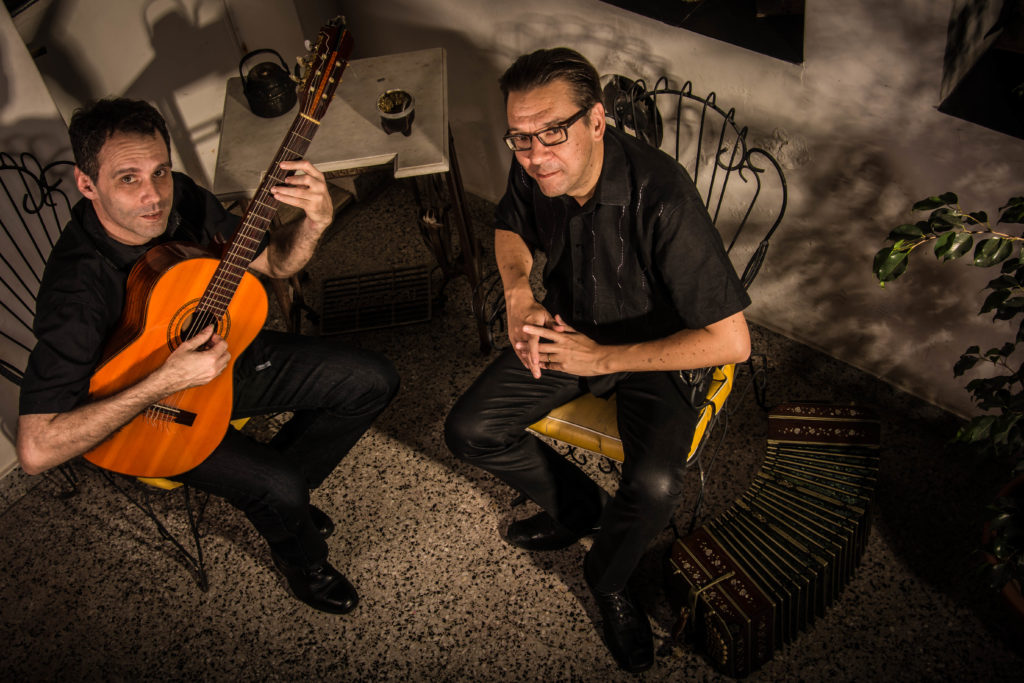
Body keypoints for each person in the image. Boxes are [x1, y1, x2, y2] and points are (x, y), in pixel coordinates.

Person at [16, 98, 399, 615]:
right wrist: (164, 380)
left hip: (220, 357)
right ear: (88, 184)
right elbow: (36, 450)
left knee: (372, 380)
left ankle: (284, 502)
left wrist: (314, 222)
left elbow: (274, 263)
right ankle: (301, 558)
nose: (153, 195)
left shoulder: (182, 199)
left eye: (159, 170)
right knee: (279, 486)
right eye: (127, 179)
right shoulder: (75, 294)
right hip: (148, 415)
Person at [444, 48, 751, 672]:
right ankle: (584, 512)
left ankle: (607, 576)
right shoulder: (535, 167)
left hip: (657, 350)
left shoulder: (664, 196)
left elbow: (732, 342)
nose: (536, 155)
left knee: (656, 487)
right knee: (470, 430)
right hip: (569, 326)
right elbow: (509, 225)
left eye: (553, 132)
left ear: (596, 121)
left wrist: (602, 359)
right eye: (521, 137)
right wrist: (517, 294)